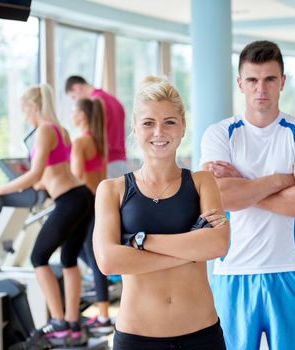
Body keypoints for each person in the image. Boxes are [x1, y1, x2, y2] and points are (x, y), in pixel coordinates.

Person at [200, 40, 295, 350]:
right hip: (232, 274)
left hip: (290, 271)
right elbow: (217, 198)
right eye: (253, 80)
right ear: (240, 83)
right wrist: (281, 180)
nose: (261, 89)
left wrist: (243, 185)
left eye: (270, 79)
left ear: (282, 81)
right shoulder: (220, 134)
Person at [93, 76, 229, 350]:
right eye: (148, 123)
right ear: (134, 127)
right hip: (136, 339)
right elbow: (108, 261)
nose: (159, 132)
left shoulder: (203, 182)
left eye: (169, 121)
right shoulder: (112, 190)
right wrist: (190, 250)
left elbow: (217, 244)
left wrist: (139, 242)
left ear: (182, 128)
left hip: (201, 336)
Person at [0, 84, 94, 347]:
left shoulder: (43, 130)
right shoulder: (60, 129)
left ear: (33, 106)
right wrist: (37, 185)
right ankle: (72, 325)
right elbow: (54, 171)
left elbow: (35, 173)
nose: (25, 115)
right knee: (69, 259)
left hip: (69, 200)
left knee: (38, 256)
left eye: (25, 110)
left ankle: (59, 323)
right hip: (82, 195)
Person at [70, 98, 113, 334]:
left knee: (91, 258)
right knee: (91, 256)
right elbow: (102, 176)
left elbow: (76, 176)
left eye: (73, 111)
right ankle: (103, 308)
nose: (72, 115)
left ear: (82, 116)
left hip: (85, 205)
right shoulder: (98, 142)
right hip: (98, 203)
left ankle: (104, 315)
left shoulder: (80, 142)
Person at [65, 76, 128, 177]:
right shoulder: (115, 101)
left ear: (77, 88)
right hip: (122, 163)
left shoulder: (97, 104)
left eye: (74, 97)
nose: (76, 102)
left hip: (105, 166)